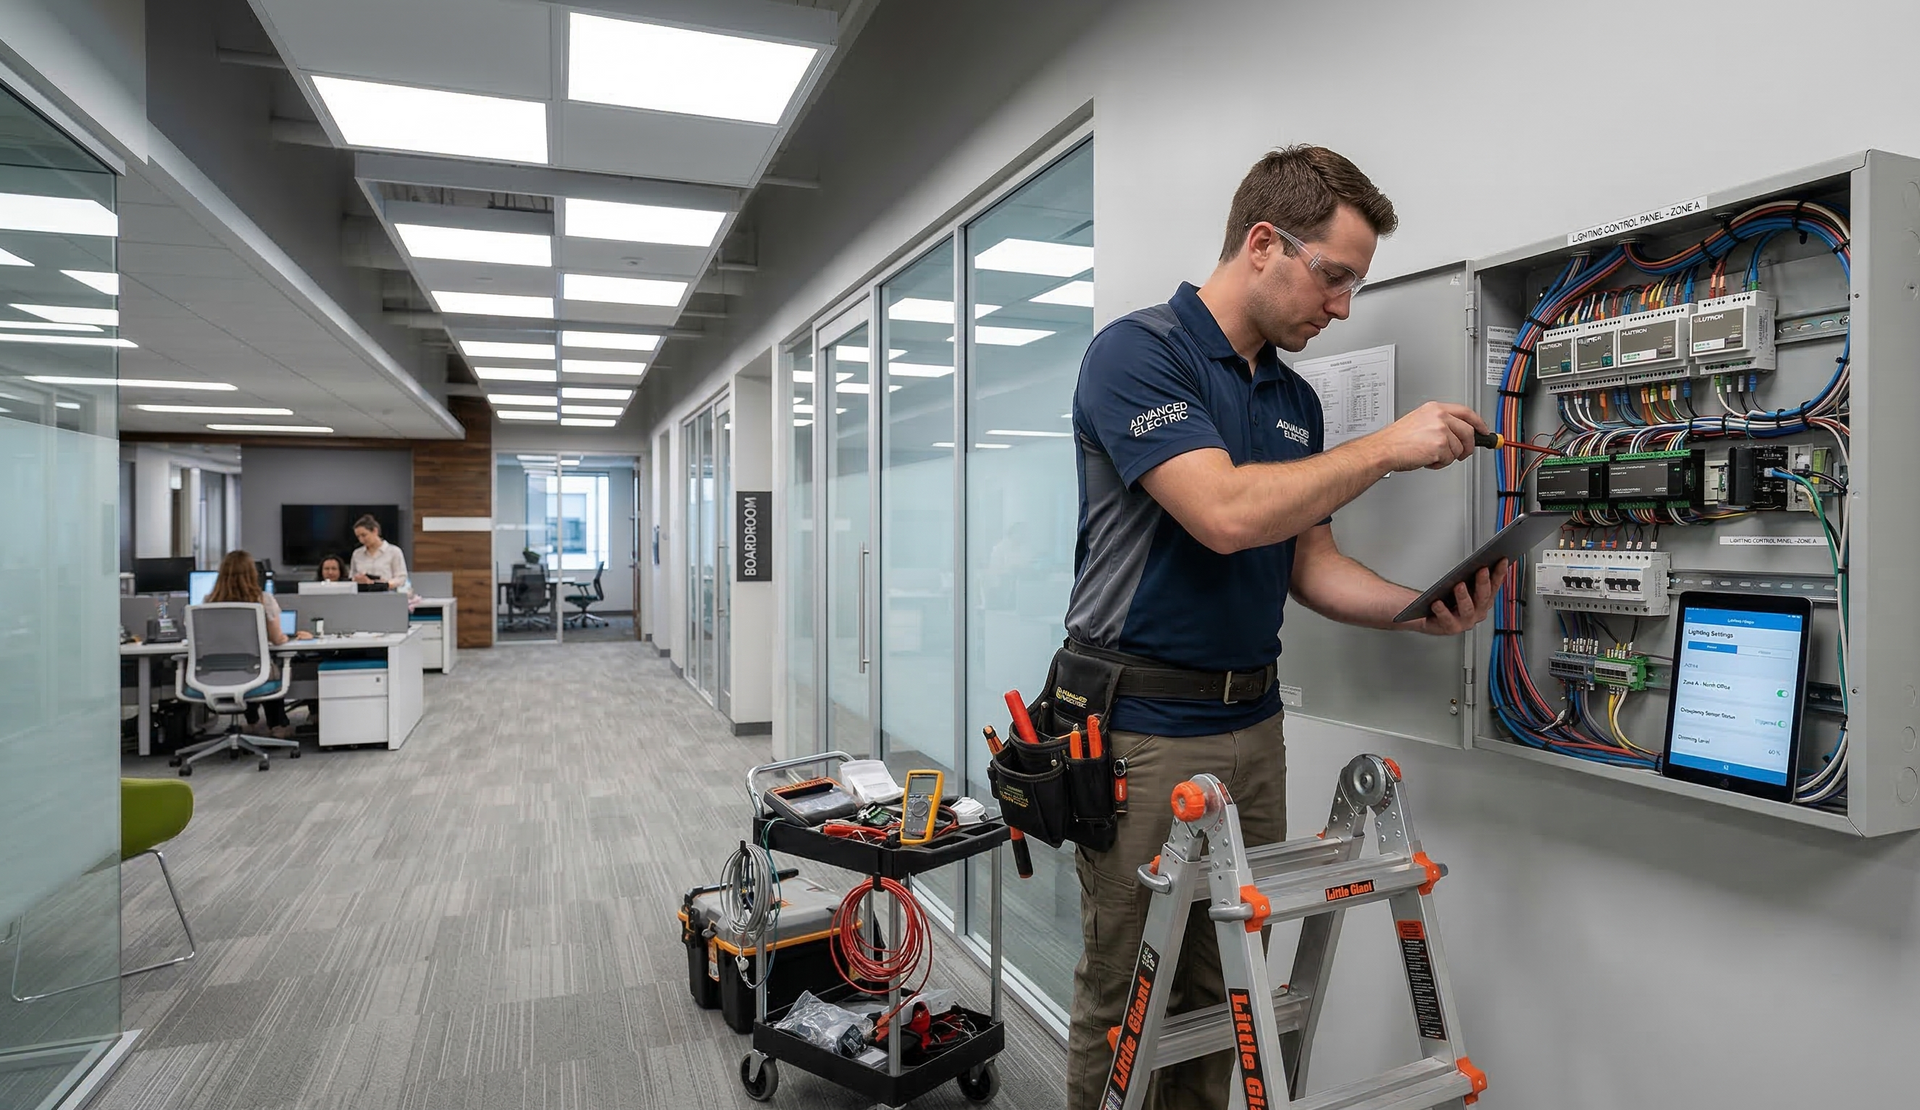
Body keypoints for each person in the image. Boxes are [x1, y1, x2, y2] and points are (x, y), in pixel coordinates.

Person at [1062, 146, 1508, 1110]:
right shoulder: (1138, 355)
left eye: (1355, 284)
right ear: (1263, 244)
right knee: (1126, 1003)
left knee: (1225, 989)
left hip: (1253, 725)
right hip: (1142, 733)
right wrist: (1388, 447)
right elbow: (1224, 514)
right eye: (1334, 275)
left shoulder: (1294, 399)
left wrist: (1414, 611)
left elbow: (1308, 563)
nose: (1342, 305)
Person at [204, 549, 311, 735]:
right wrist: (289, 636)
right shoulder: (263, 600)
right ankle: (277, 726)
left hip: (214, 674)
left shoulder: (206, 603)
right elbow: (278, 640)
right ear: (252, 574)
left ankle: (252, 723)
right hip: (254, 672)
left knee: (258, 664)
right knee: (274, 662)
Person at [348, 514, 409, 592]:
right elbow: (352, 576)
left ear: (375, 531)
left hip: (387, 595)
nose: (361, 540)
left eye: (364, 535)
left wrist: (384, 585)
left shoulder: (394, 551)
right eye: (358, 537)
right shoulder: (357, 554)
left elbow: (401, 578)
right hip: (362, 596)